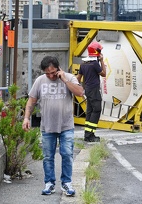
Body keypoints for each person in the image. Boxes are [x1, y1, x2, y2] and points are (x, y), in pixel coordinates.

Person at [22, 56, 84, 196]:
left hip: (66, 125)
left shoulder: (69, 78)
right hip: (47, 127)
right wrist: (26, 118)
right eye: (47, 73)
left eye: (53, 72)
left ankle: (66, 183)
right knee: (48, 157)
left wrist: (65, 80)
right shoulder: (40, 81)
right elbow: (31, 101)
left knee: (67, 154)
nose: (50, 76)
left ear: (59, 69)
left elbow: (80, 93)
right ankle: (49, 183)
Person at [77, 42, 106, 142]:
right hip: (94, 90)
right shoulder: (94, 64)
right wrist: (102, 61)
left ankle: (87, 134)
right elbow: (104, 74)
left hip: (87, 90)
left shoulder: (83, 64)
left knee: (89, 111)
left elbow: (78, 78)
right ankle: (91, 134)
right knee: (96, 110)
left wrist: (78, 87)